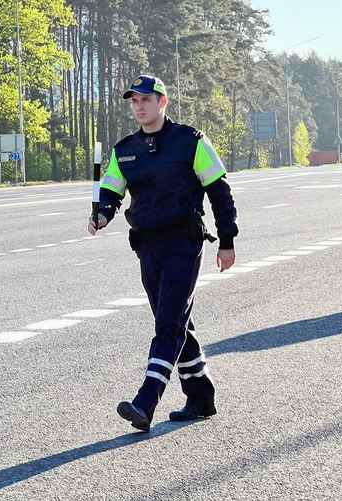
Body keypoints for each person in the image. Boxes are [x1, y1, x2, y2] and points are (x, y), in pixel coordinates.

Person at [88, 75, 239, 432]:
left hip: (184, 243)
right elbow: (110, 192)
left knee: (167, 324)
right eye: (134, 101)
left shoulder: (190, 141)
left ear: (163, 102)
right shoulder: (124, 149)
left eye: (146, 99)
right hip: (147, 246)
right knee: (177, 323)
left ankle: (147, 400)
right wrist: (101, 214)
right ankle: (201, 394)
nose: (139, 106)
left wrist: (228, 240)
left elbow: (220, 191)